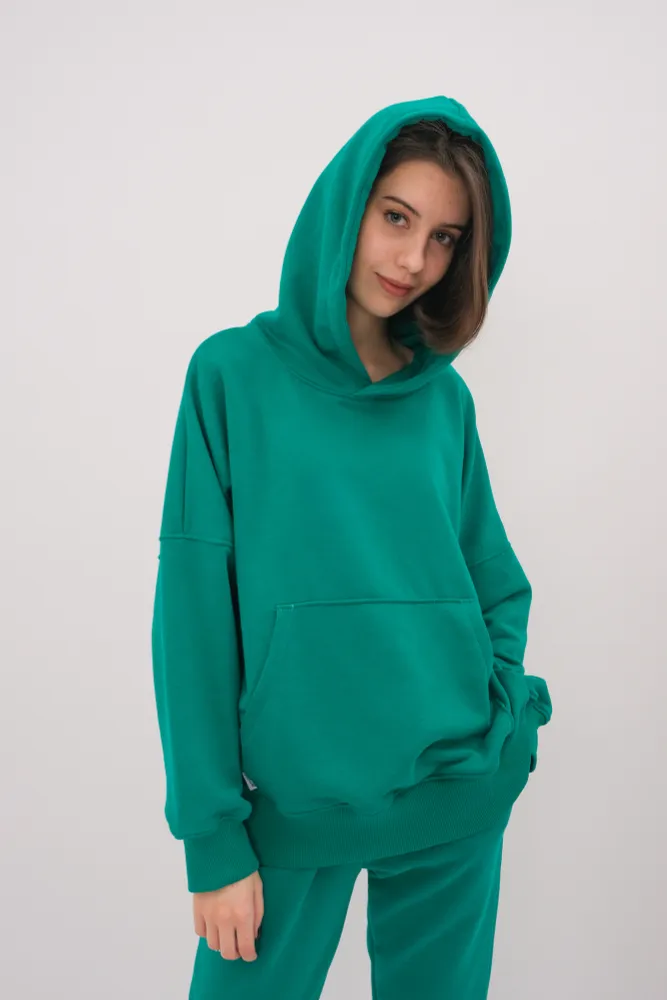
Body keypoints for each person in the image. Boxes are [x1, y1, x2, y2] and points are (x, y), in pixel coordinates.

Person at [150, 93, 553, 999]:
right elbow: (192, 616)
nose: (413, 261)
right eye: (395, 218)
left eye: (444, 238)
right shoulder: (231, 376)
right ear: (346, 206)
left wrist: (495, 708)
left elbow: (493, 579)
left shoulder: (443, 402)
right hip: (295, 807)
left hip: (454, 795)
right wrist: (211, 836)